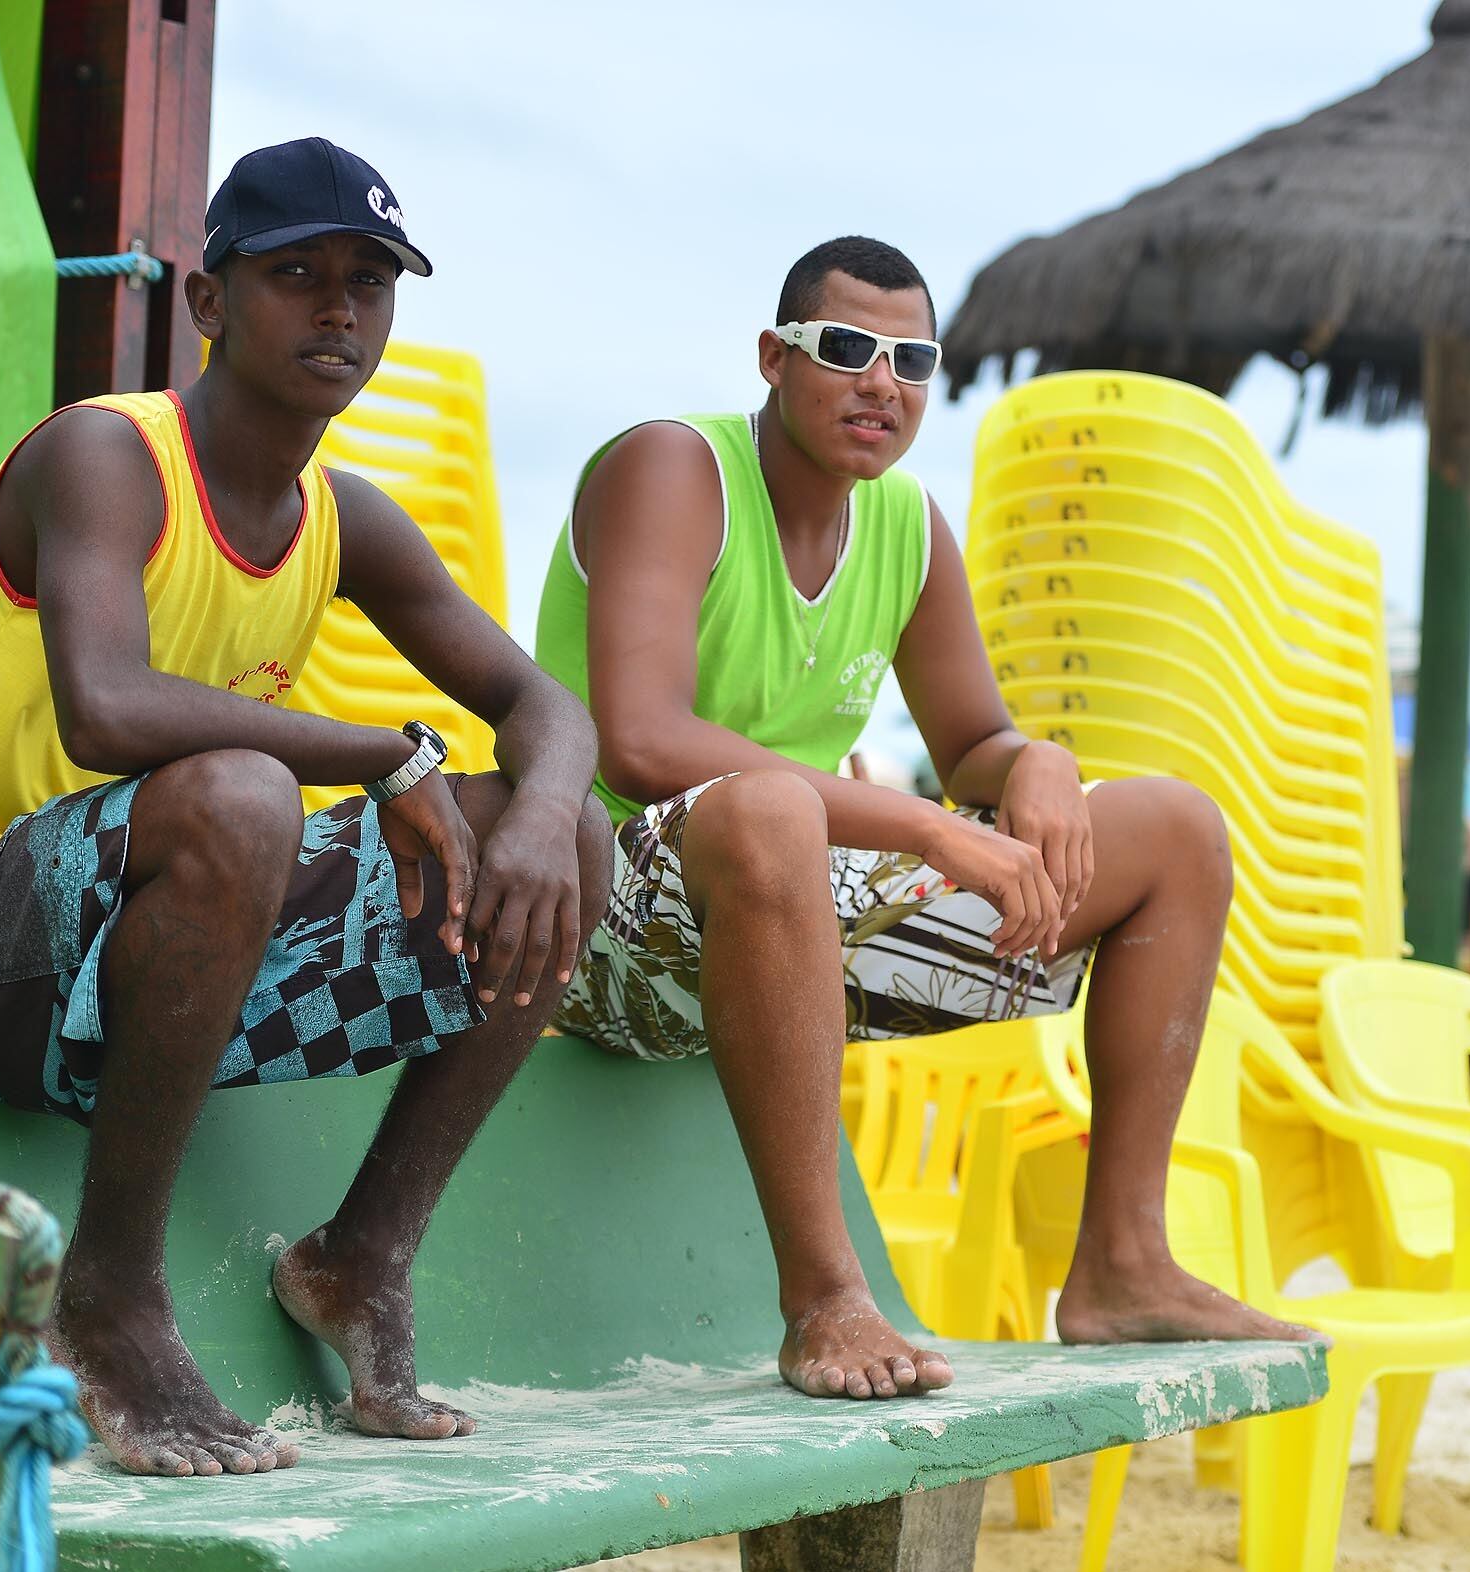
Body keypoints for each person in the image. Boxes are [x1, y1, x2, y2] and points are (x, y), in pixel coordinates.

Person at [0, 139, 614, 1477]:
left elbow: (548, 706)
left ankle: (358, 1259)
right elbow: (107, 711)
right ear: (207, 303)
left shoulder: (344, 516)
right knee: (245, 797)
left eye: (368, 281)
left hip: (159, 961)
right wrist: (382, 748)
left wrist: (542, 809)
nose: (337, 311)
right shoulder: (105, 454)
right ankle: (109, 1294)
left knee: (572, 838)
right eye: (295, 275)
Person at [532, 236, 1321, 1402]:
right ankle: (824, 1301)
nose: (880, 382)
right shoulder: (672, 468)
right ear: (772, 357)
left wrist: (1033, 762)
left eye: (911, 359)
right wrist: (933, 827)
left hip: (789, 924)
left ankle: (1121, 1263)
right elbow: (641, 743)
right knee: (767, 814)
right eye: (846, 349)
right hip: (602, 925)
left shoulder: (904, 524)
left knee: (1178, 831)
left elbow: (972, 744)